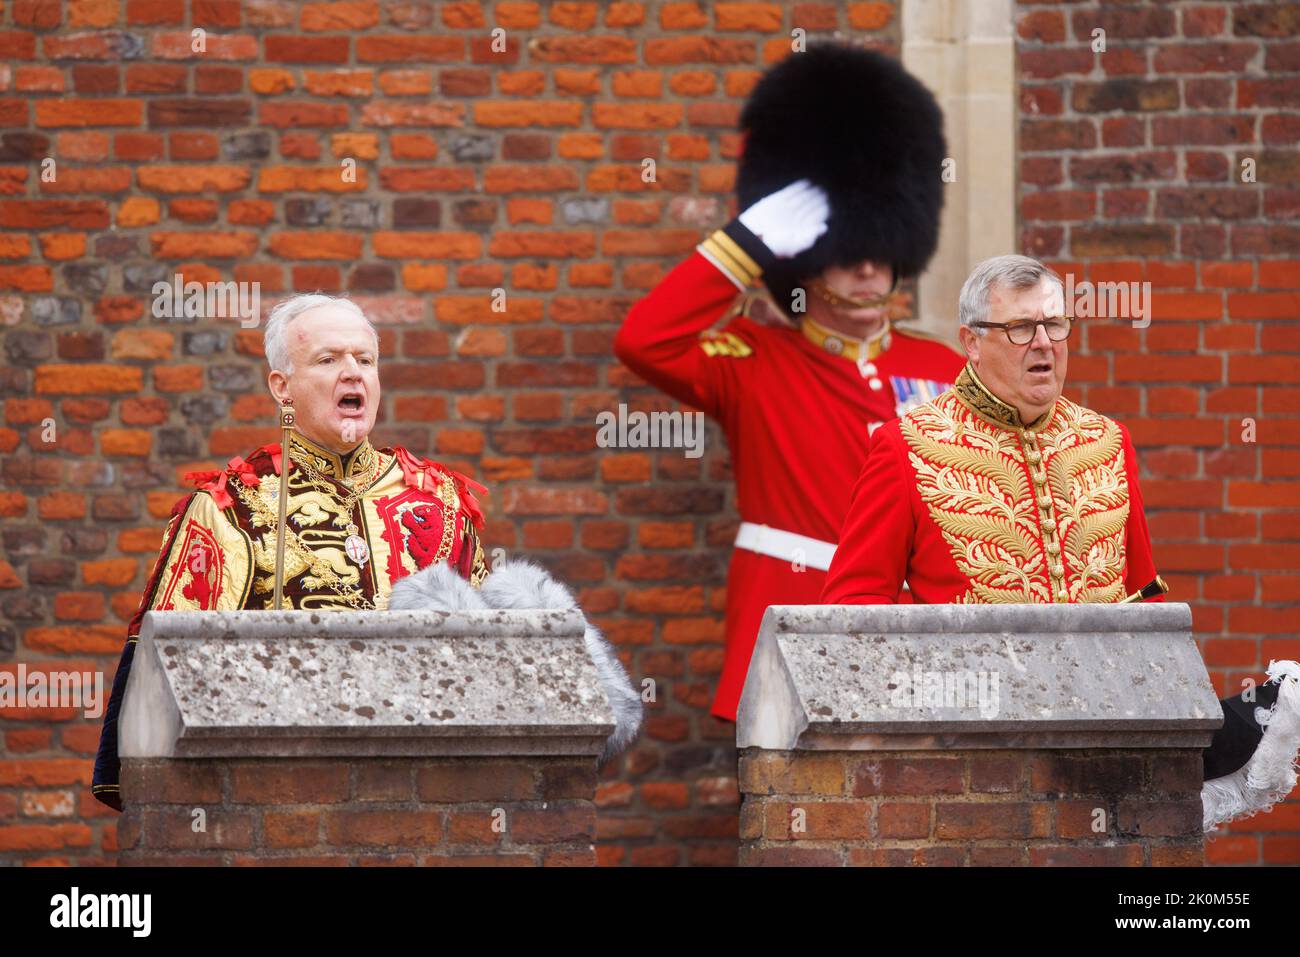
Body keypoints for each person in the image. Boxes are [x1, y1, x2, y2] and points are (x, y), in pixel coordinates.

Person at [821, 254, 1300, 830]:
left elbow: (1143, 597)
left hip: (1109, 748)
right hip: (974, 762)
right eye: (1020, 328)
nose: (1043, 343)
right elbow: (855, 612)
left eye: (1055, 325)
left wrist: (1178, 716)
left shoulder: (1107, 441)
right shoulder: (907, 446)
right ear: (971, 342)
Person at [615, 44, 965, 722]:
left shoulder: (943, 371)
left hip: (921, 638)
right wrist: (748, 243)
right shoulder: (752, 359)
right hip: (790, 618)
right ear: (805, 265)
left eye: (881, 254)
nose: (868, 269)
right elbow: (643, 339)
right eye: (844, 253)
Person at [91, 294, 488, 810]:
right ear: (282, 387)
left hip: (425, 799)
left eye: (364, 360)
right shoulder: (230, 506)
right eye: (328, 360)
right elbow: (167, 683)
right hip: (277, 803)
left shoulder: (440, 499)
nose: (353, 374)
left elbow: (485, 660)